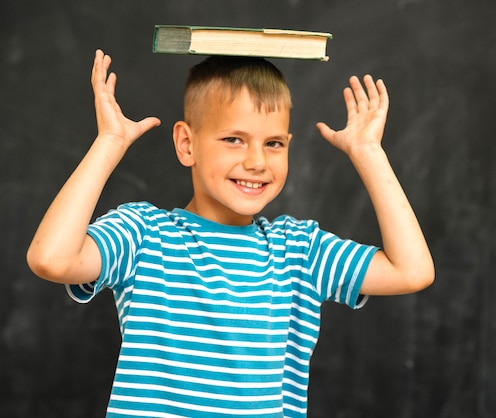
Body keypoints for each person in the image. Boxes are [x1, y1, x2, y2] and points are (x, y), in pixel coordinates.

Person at [27, 49, 434, 417]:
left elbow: (411, 271)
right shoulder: (142, 235)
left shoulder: (300, 250)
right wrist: (110, 142)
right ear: (187, 144)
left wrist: (369, 153)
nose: (257, 161)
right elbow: (52, 258)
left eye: (273, 143)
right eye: (234, 140)